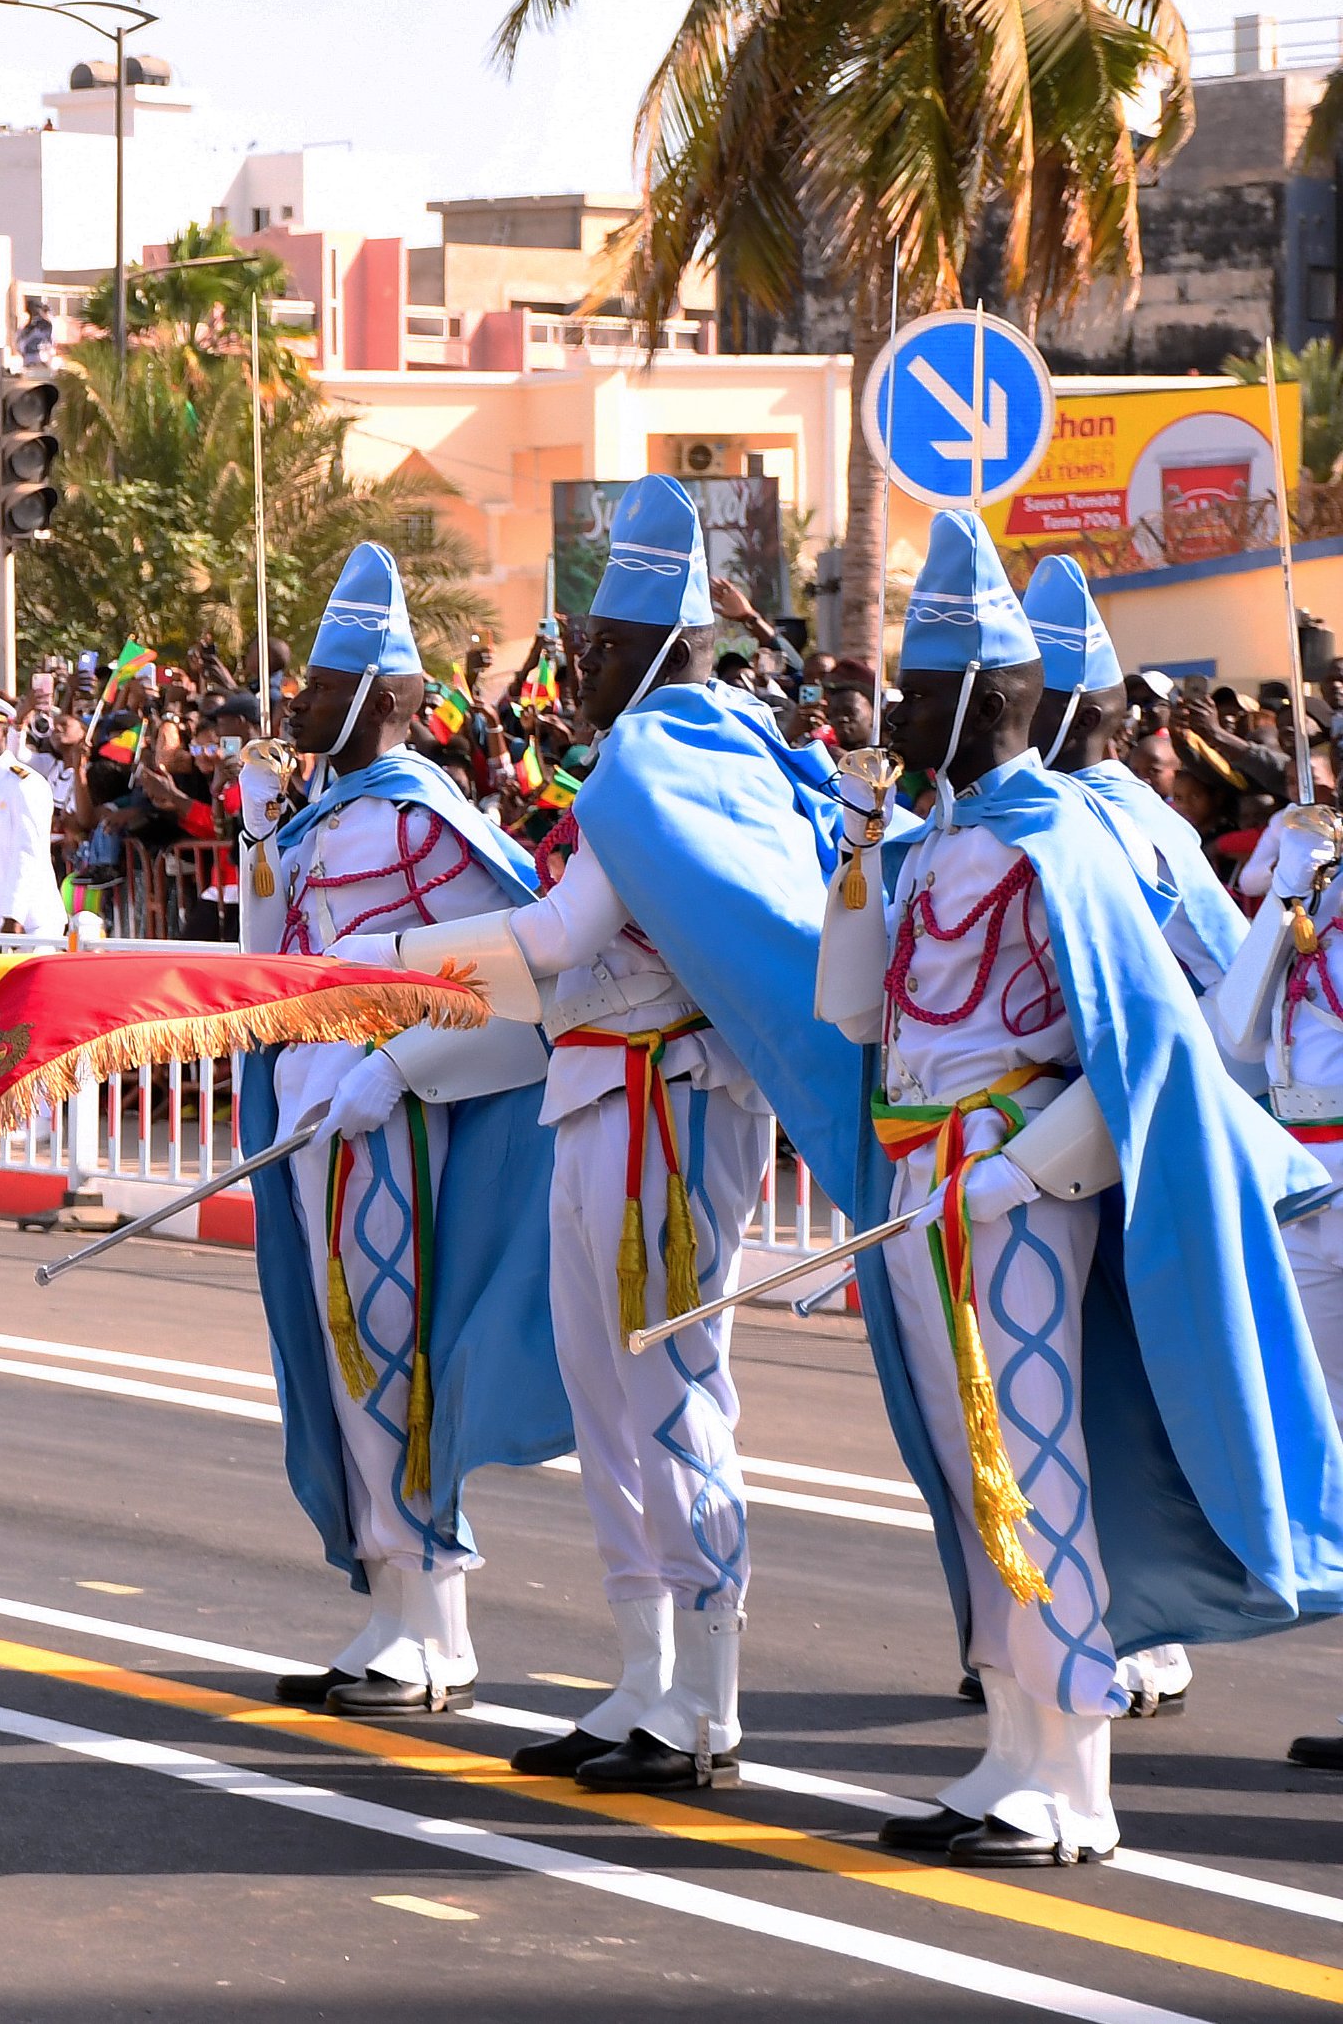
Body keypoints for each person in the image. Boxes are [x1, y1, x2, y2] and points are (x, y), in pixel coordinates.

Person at [820, 511, 1343, 1866]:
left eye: (925, 693)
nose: (901, 710)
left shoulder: (1064, 838)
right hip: (925, 1187)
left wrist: (1012, 1172)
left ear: (995, 700)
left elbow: (1145, 1054)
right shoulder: (931, 839)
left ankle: (1073, 1767)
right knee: (964, 1465)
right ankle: (1012, 1738)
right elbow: (847, 1005)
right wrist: (860, 857)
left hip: (1012, 1199)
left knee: (1037, 1464)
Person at [341, 479, 851, 1792]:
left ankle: (710, 1701)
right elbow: (573, 966)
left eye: (604, 645)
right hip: (604, 1102)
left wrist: (387, 960)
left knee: (674, 1403)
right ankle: (645, 1679)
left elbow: (558, 936)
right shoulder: (679, 754)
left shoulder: (673, 754)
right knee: (613, 1408)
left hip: (665, 1121)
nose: (585, 665)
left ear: (659, 648)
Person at [239, 541, 564, 1718]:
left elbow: (511, 974)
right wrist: (258, 832)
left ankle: (435, 1617)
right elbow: (264, 963)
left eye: (323, 689)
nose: (300, 703)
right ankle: (389, 1598)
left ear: (386, 700)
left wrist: (391, 1069)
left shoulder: (427, 818)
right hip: (314, 1107)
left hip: (391, 1115)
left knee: (389, 1350)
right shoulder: (321, 812)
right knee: (336, 1356)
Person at [1021, 558, 1238, 995]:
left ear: (1084, 720)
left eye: (1029, 703)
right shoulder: (1014, 803)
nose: (1010, 716)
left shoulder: (1139, 822)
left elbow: (1230, 972)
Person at [0, 692, 63, 936]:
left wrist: (13, 915)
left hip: (31, 920)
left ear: (5, 731)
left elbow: (28, 852)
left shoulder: (24, 782)